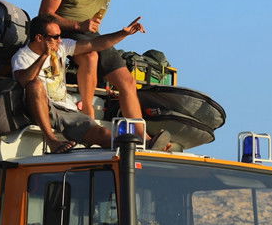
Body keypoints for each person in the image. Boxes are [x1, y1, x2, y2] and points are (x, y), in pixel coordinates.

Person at [39, 0, 211, 120]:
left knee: (127, 81)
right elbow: (44, 15)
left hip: (90, 34)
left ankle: (139, 131)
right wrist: (77, 25)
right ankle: (87, 115)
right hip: (62, 33)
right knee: (90, 56)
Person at [12, 15, 171, 153]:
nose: (59, 40)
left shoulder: (60, 47)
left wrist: (124, 33)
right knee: (35, 84)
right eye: (55, 37)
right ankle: (51, 140)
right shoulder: (22, 57)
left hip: (66, 109)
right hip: (43, 107)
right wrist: (44, 56)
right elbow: (24, 80)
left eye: (60, 36)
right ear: (39, 38)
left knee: (103, 134)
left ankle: (143, 146)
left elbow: (96, 44)